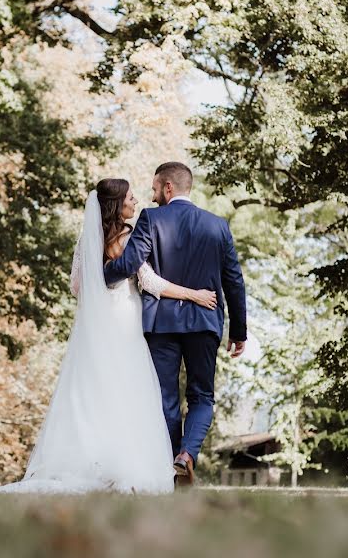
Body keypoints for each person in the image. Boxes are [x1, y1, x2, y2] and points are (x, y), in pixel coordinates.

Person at [0, 178, 217, 494]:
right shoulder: (128, 237)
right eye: (130, 197)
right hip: (125, 321)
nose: (136, 201)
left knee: (93, 392)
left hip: (95, 324)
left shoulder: (86, 239)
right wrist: (194, 295)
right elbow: (150, 282)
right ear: (117, 205)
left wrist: (98, 302)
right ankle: (125, 463)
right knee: (129, 391)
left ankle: (90, 462)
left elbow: (76, 286)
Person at [103, 162, 247, 486]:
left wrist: (100, 277)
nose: (151, 196)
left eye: (154, 189)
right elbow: (234, 281)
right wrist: (239, 331)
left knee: (165, 399)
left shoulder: (151, 219)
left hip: (162, 324)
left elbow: (128, 263)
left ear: (168, 188)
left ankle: (170, 469)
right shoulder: (218, 226)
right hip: (205, 322)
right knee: (201, 397)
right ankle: (187, 455)